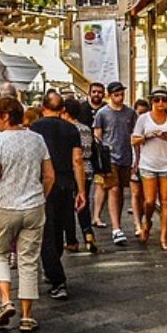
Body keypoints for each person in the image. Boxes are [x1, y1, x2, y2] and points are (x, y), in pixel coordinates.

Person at [0, 95, 52, 333]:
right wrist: (41, 195)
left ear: (4, 115)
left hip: (4, 205)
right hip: (33, 205)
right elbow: (49, 175)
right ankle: (27, 315)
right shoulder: (37, 139)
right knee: (28, 260)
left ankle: (5, 301)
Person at [30, 91, 86, 299]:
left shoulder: (35, 128)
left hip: (43, 182)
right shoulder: (71, 129)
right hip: (65, 183)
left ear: (43, 106)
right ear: (62, 109)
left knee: (46, 231)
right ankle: (54, 269)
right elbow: (77, 160)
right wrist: (81, 190)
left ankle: (56, 277)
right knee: (60, 228)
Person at [133, 88, 167, 251]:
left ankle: (164, 237)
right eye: (157, 100)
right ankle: (147, 221)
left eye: (164, 100)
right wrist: (147, 136)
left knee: (165, 201)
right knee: (149, 202)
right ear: (151, 102)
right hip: (148, 164)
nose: (161, 103)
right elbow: (133, 140)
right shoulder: (143, 119)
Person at [93, 82, 140, 246]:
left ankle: (117, 224)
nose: (120, 97)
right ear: (110, 95)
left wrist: (137, 158)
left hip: (126, 156)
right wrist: (100, 159)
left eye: (122, 94)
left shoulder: (130, 113)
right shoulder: (103, 113)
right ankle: (116, 228)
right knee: (113, 189)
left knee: (120, 191)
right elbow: (97, 136)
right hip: (110, 157)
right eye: (117, 95)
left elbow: (135, 135)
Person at [66, 98, 99, 254]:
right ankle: (88, 233)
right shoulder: (86, 128)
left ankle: (72, 239)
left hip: (73, 168)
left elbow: (74, 155)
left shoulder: (66, 128)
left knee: (68, 205)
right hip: (87, 168)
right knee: (83, 202)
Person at [85, 83, 110, 227]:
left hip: (102, 153)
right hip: (84, 154)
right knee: (85, 187)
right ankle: (86, 215)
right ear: (89, 93)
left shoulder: (106, 109)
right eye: (94, 92)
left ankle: (96, 216)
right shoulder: (82, 109)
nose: (97, 94)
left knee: (101, 185)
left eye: (100, 92)